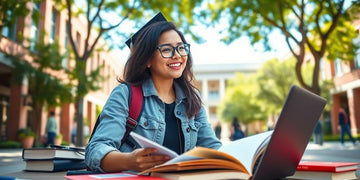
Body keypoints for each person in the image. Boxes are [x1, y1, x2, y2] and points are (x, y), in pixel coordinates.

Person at [85, 13, 222, 173]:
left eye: (181, 47)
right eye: (166, 49)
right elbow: (95, 150)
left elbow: (213, 148)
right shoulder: (125, 95)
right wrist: (129, 161)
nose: (177, 55)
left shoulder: (193, 99)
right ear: (147, 60)